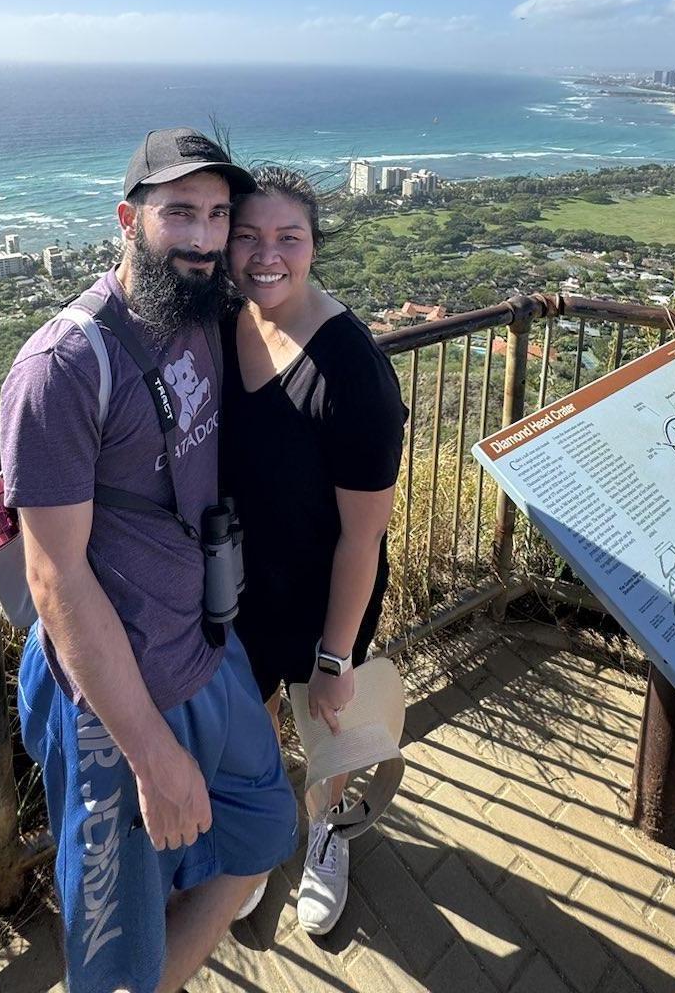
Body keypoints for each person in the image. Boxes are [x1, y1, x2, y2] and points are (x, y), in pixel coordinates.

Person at [0, 129, 298, 993]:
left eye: (216, 214)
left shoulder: (200, 316)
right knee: (112, 963)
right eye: (179, 214)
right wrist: (150, 755)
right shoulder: (63, 367)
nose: (204, 239)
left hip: (205, 650)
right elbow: (54, 580)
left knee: (266, 827)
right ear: (128, 219)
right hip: (111, 696)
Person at [219, 165, 406, 935]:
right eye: (249, 237)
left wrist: (334, 657)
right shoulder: (228, 322)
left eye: (288, 237)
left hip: (327, 591)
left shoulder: (351, 369)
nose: (268, 254)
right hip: (244, 588)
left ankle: (328, 832)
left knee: (324, 726)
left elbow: (365, 534)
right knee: (256, 719)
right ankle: (265, 845)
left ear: (314, 246)